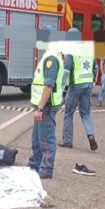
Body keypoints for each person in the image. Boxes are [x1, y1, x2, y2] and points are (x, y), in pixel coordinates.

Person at [28, 27, 65, 179]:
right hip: (42, 106)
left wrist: (40, 108)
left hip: (46, 106)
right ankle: (34, 165)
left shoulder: (51, 58)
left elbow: (48, 85)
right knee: (36, 139)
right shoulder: (50, 56)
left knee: (46, 139)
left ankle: (46, 169)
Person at [59, 28, 98, 151]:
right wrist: (93, 82)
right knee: (85, 114)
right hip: (88, 85)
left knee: (69, 113)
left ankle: (67, 141)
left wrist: (60, 89)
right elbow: (95, 67)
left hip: (76, 85)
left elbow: (66, 70)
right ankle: (90, 135)